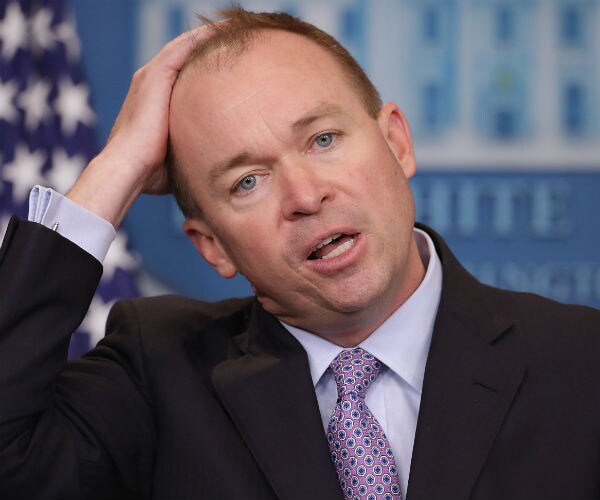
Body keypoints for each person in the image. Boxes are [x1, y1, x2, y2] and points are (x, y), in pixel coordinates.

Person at [1, 7, 599, 500]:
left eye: (323, 139)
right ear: (213, 246)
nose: (306, 196)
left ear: (396, 142)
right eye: (247, 181)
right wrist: (119, 165)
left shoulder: (582, 360)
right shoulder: (159, 372)